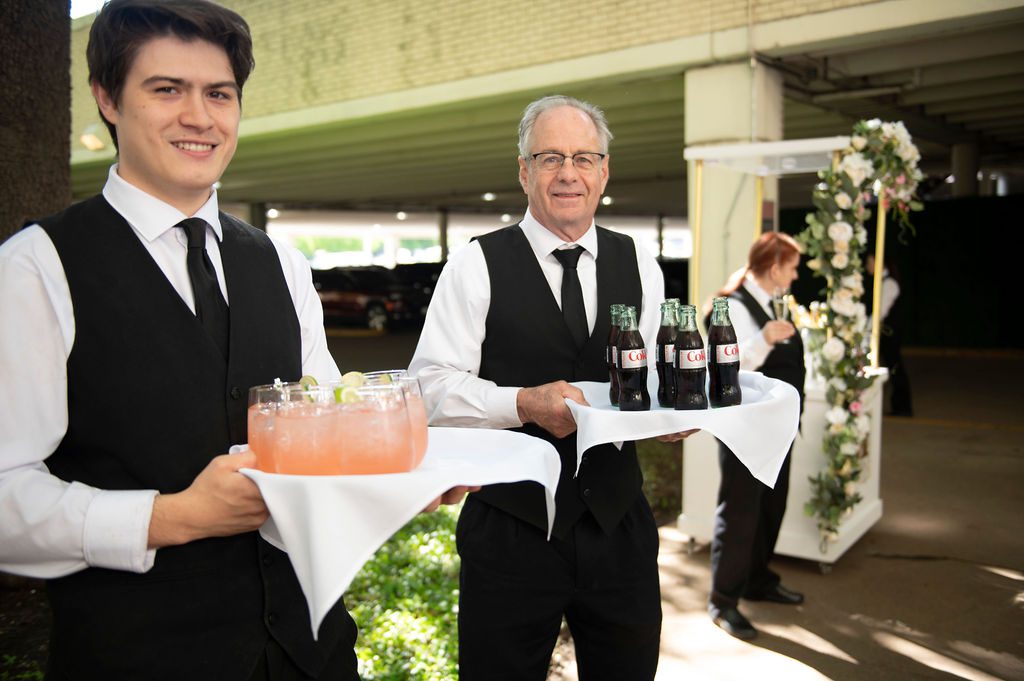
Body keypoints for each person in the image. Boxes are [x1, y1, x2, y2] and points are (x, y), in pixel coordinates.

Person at [0, 2, 469, 678]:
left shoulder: (283, 264)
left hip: (312, 652)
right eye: (167, 90)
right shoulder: (36, 268)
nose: (200, 116)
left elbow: (325, 433)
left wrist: (396, 482)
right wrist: (170, 517)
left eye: (219, 93)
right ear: (106, 97)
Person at [409, 95, 688, 680]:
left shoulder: (638, 261)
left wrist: (670, 412)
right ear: (523, 170)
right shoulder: (475, 264)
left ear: (604, 171)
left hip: (620, 526)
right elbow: (428, 387)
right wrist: (520, 404)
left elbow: (655, 374)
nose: (568, 173)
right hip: (511, 528)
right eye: (551, 157)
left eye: (585, 158)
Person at [705, 231, 806, 641]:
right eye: (794, 267)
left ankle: (759, 580)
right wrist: (764, 339)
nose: (796, 275)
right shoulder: (728, 306)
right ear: (775, 267)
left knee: (771, 507)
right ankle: (723, 601)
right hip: (744, 428)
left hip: (778, 428)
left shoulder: (773, 302)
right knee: (741, 511)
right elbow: (723, 359)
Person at [866, 253, 913, 416]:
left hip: (890, 334)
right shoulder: (882, 283)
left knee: (895, 367)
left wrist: (867, 330)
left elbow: (880, 311)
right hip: (886, 334)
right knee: (892, 367)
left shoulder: (889, 284)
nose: (868, 266)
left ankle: (903, 406)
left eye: (870, 262)